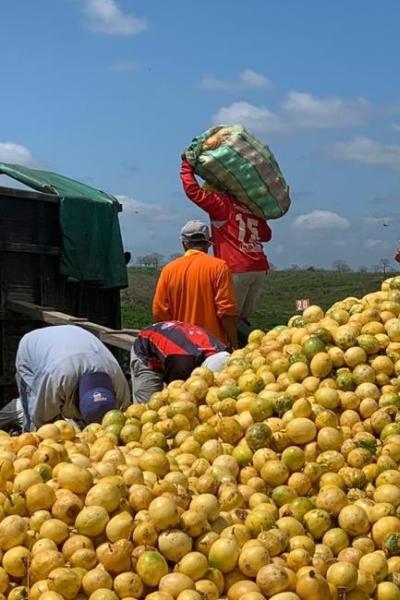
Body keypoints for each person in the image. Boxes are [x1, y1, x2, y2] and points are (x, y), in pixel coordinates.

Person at [180, 158, 271, 324]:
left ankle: (231, 348)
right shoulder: (251, 207)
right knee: (243, 318)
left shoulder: (221, 205)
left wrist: (186, 166)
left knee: (227, 318)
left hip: (237, 267)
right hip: (259, 267)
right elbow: (266, 235)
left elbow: (193, 192)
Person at [0, 325, 131, 433]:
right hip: (32, 349)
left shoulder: (117, 381)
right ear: (76, 399)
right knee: (35, 424)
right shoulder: (57, 378)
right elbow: (41, 419)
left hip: (73, 338)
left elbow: (123, 417)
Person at [152, 220, 238, 348]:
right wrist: (235, 345)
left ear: (184, 243)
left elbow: (159, 312)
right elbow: (226, 312)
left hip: (180, 348)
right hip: (212, 348)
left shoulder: (168, 270)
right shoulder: (219, 267)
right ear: (208, 243)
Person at [130, 320, 231, 403]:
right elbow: (174, 397)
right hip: (146, 350)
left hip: (173, 347)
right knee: (147, 405)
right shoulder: (182, 364)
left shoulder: (224, 350)